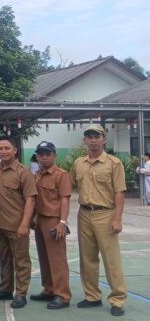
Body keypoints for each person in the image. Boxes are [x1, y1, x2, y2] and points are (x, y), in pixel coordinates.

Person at [70, 125, 127, 317]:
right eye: (89, 137)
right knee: (87, 259)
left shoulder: (114, 163)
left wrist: (117, 219)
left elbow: (119, 192)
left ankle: (118, 299)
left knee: (111, 260)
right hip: (84, 213)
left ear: (104, 139)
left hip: (105, 214)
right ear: (84, 140)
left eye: (97, 136)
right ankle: (92, 296)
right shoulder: (78, 163)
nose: (93, 140)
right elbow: (69, 184)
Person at [0, 136, 37, 309]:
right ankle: (5, 289)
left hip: (16, 225)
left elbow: (30, 200)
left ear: (15, 150)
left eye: (7, 148)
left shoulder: (23, 172)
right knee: (4, 259)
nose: (4, 151)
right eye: (0, 148)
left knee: (21, 261)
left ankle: (20, 293)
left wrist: (25, 224)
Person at [31, 141, 72, 310]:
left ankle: (62, 295)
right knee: (44, 257)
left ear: (55, 155)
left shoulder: (61, 175)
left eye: (47, 154)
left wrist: (62, 222)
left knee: (57, 259)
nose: (44, 157)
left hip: (53, 220)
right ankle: (49, 289)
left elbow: (65, 199)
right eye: (41, 154)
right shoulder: (37, 174)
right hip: (39, 220)